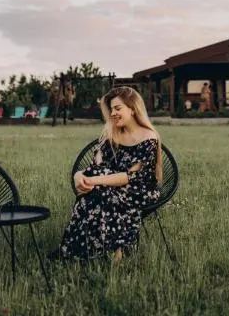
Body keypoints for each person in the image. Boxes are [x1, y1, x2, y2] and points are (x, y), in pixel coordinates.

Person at [49, 86, 162, 264]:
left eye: (118, 108)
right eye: (111, 109)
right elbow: (95, 167)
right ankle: (95, 249)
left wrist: (93, 180)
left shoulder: (149, 137)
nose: (113, 113)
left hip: (140, 190)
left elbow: (130, 177)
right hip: (111, 185)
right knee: (95, 189)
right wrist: (79, 176)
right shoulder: (112, 135)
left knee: (98, 190)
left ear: (133, 109)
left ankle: (78, 249)